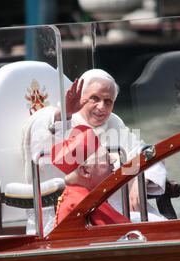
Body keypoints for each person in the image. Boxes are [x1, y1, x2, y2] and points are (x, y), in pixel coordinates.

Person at [22, 69, 167, 233]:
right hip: (71, 213)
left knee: (163, 229)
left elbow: (142, 152)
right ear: (80, 97)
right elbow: (44, 151)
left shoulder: (114, 122)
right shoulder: (59, 119)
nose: (101, 107)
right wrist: (64, 114)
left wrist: (141, 179)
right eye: (94, 98)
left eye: (108, 101)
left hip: (120, 207)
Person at [51, 125, 131, 226]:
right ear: (85, 171)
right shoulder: (81, 204)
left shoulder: (85, 195)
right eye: (106, 158)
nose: (113, 160)